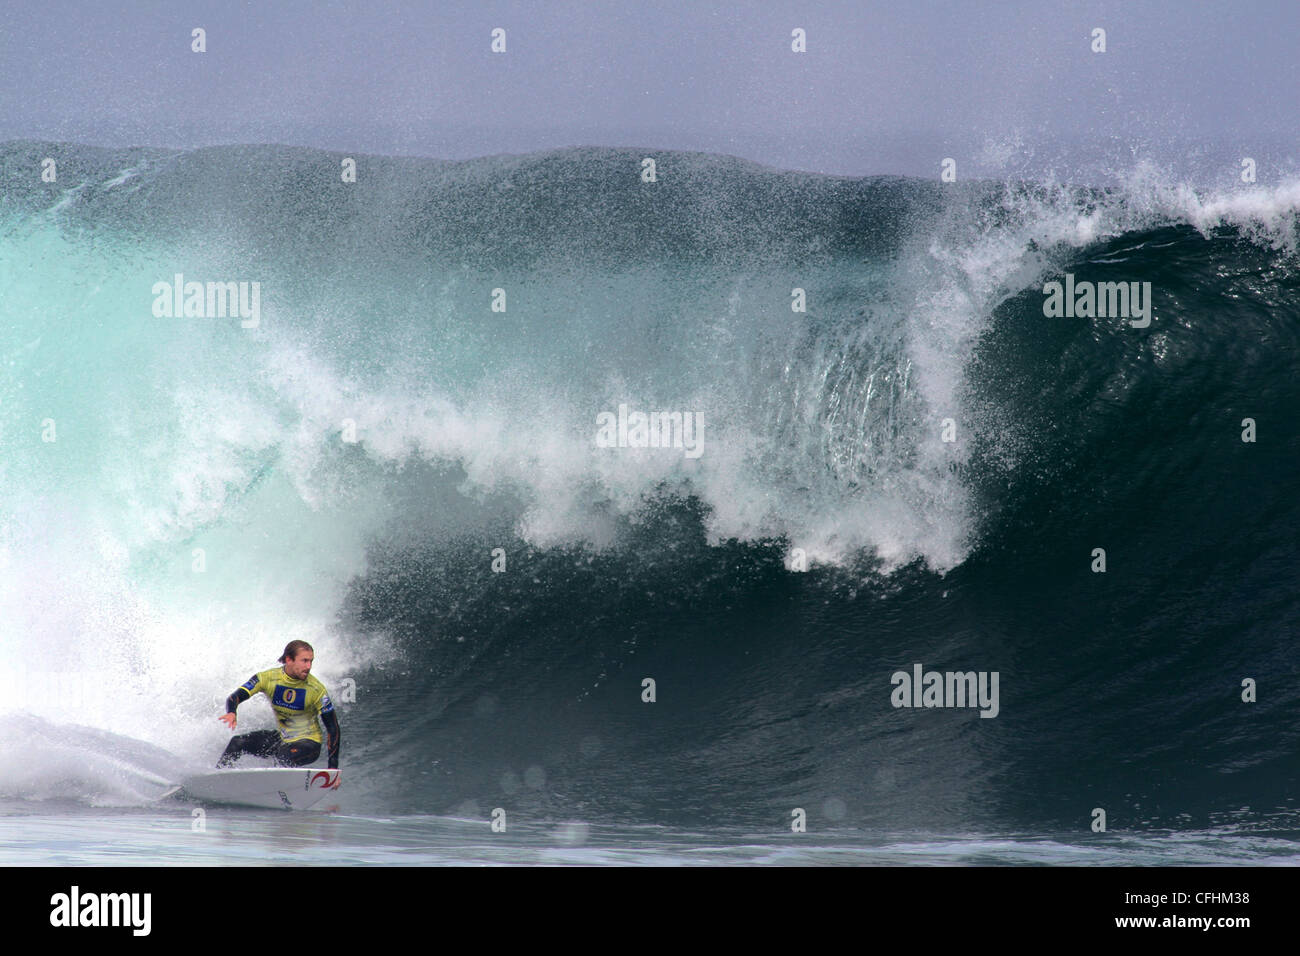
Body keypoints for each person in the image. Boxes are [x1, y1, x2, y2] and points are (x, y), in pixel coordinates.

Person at [217, 640, 340, 770]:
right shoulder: (267, 678)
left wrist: (333, 769)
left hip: (309, 743)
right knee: (237, 742)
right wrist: (232, 712)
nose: (309, 666)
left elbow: (333, 728)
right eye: (304, 661)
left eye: (311, 661)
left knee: (283, 757)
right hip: (283, 739)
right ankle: (219, 777)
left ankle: (281, 787)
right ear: (289, 659)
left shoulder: (316, 689)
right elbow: (235, 696)